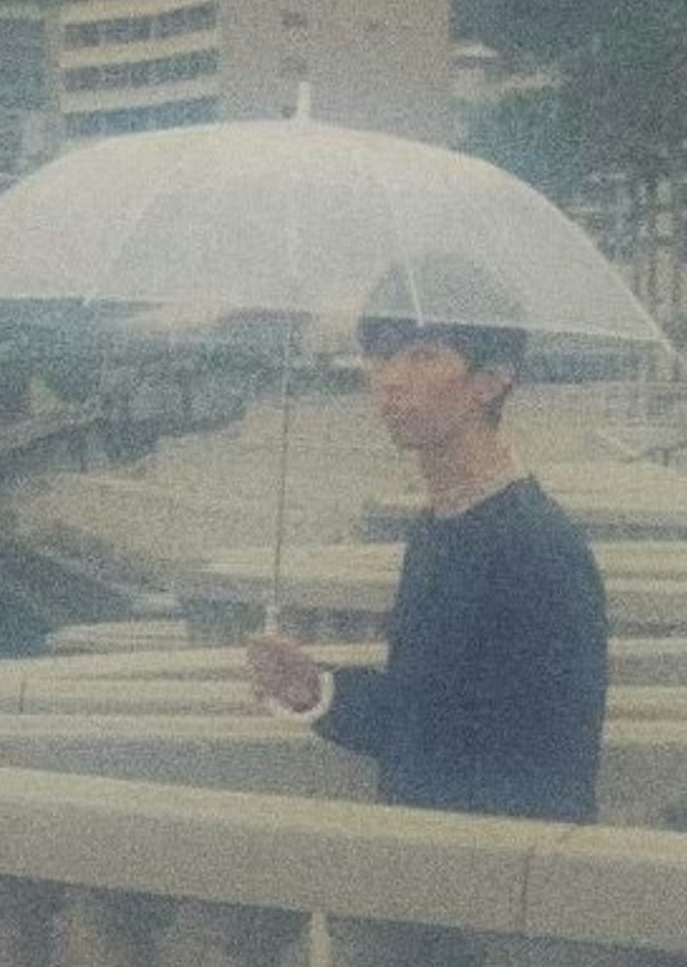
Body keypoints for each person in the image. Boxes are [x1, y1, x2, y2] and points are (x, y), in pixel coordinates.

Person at [241, 261, 609, 820]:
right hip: (427, 865)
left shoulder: (538, 548)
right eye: (381, 355)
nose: (390, 378)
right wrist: (314, 689)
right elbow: (427, 714)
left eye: (422, 356)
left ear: (493, 378)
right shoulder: (440, 525)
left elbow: (549, 765)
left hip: (484, 881)